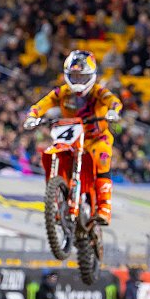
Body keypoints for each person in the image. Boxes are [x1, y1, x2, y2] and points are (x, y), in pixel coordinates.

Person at [23, 50, 123, 225]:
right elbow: (41, 104)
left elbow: (114, 101)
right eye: (74, 76)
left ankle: (104, 207)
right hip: (71, 136)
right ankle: (56, 200)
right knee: (52, 152)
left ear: (91, 76)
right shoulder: (62, 92)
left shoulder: (99, 92)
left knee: (102, 157)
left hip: (96, 137)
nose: (78, 81)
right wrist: (32, 116)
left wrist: (114, 112)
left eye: (82, 77)